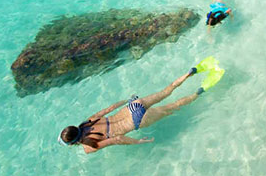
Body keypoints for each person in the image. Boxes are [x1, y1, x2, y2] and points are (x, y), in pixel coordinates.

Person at [58, 57, 224, 154]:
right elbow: (109, 109)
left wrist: (138, 142)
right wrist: (126, 101)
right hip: (132, 107)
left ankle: (200, 90)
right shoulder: (87, 121)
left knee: (172, 107)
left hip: (135, 121)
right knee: (167, 91)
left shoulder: (89, 147)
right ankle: (191, 72)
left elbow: (117, 139)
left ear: (73, 143)